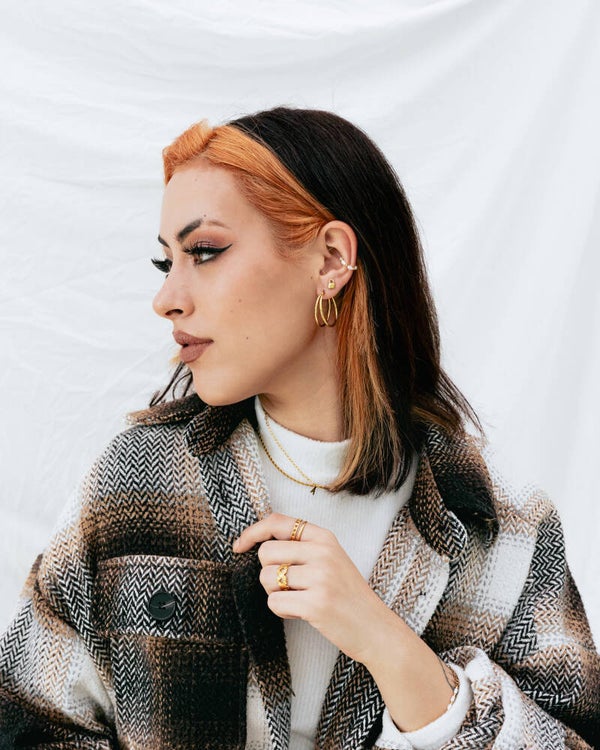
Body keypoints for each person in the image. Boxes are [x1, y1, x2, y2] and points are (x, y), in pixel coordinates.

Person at [0, 107, 598, 750]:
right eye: (165, 262)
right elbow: (27, 725)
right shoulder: (137, 485)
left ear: (331, 259)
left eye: (204, 252)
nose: (166, 298)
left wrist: (391, 648)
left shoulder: (499, 524)